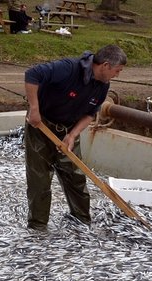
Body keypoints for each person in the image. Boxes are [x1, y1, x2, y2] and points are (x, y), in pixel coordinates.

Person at [23, 45, 127, 231]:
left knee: (75, 176)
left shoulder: (103, 86)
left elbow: (90, 114)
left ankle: (81, 220)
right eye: (117, 71)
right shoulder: (68, 68)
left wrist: (72, 135)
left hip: (68, 129)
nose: (117, 75)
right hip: (42, 127)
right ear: (105, 65)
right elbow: (32, 74)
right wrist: (34, 109)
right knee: (40, 179)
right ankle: (37, 226)